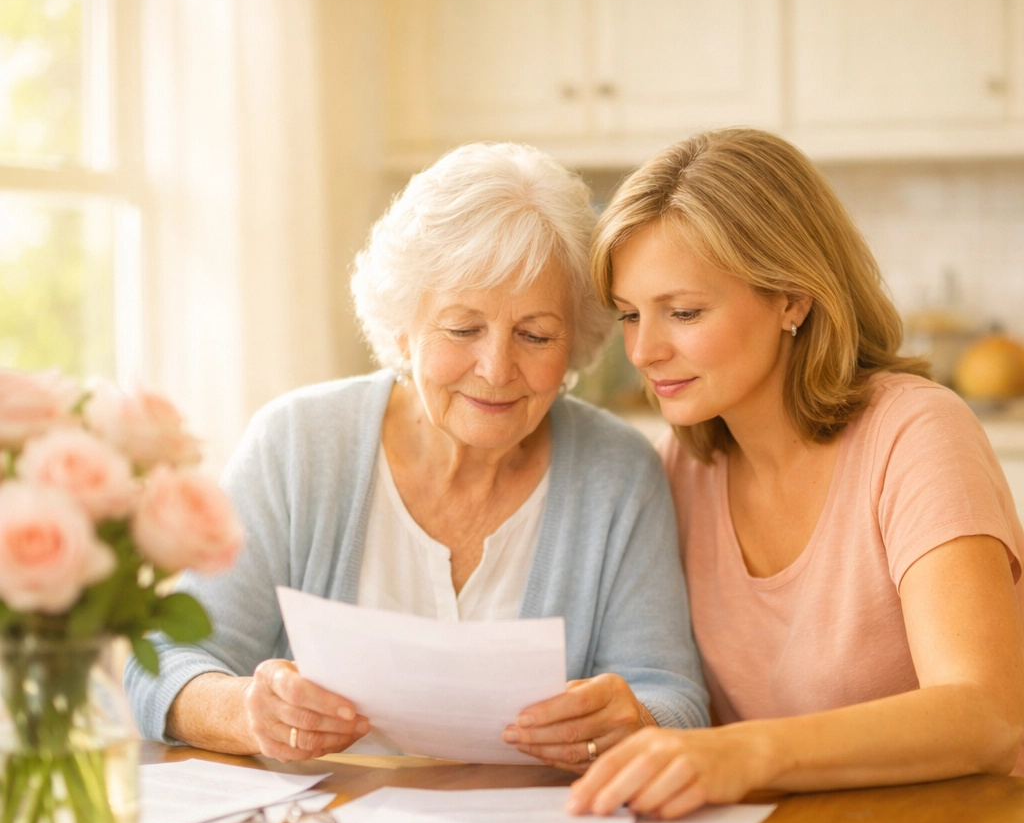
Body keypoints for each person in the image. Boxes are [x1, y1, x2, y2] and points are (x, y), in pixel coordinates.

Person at [124, 142, 709, 766]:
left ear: (577, 340)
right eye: (463, 328)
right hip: (326, 821)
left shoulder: (619, 472)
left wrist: (632, 719)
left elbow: (675, 699)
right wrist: (245, 711)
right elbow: (163, 663)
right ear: (403, 327)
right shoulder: (297, 445)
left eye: (536, 335)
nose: (496, 369)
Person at [568, 128, 1024, 819]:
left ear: (792, 298)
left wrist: (745, 752)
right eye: (631, 315)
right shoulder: (678, 470)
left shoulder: (915, 434)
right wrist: (639, 721)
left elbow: (987, 715)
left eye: (683, 312)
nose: (644, 350)